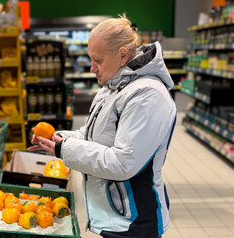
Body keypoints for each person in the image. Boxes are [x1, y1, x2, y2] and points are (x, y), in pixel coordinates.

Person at [28, 14, 176, 238]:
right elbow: (89, 136)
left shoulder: (147, 94)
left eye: (97, 60)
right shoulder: (112, 86)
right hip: (114, 213)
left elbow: (123, 162)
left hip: (135, 220)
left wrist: (64, 149)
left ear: (122, 55)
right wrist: (56, 140)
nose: (91, 68)